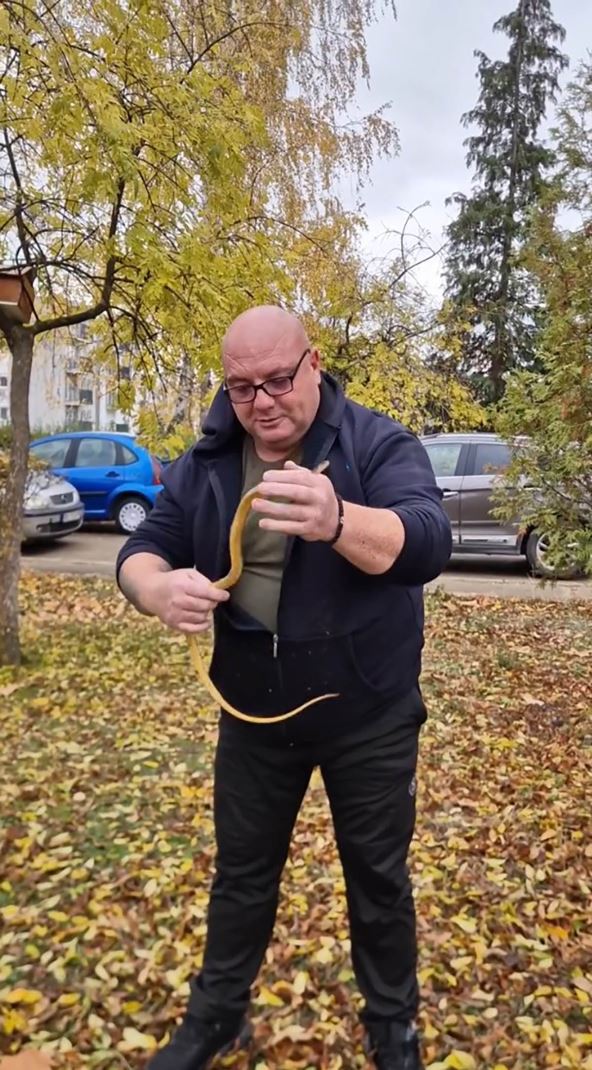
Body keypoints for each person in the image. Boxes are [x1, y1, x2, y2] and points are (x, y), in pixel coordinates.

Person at [116, 306, 452, 1070]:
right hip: (254, 713)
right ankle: (217, 1018)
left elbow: (427, 540)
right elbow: (144, 549)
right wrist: (155, 589)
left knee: (378, 879)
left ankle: (393, 1026)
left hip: (368, 711)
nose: (261, 402)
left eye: (276, 380)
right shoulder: (209, 459)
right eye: (242, 387)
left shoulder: (375, 443)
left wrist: (339, 520)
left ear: (314, 364)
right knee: (241, 877)